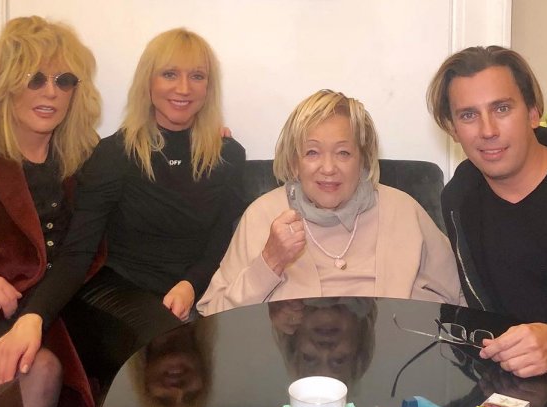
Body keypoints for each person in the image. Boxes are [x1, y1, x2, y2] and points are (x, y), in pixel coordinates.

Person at [27, 28, 245, 383]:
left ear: (209, 87)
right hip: (117, 287)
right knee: (172, 346)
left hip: (193, 286)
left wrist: (190, 284)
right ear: (148, 81)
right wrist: (34, 316)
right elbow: (78, 251)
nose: (183, 88)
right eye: (169, 74)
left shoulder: (228, 156)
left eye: (197, 76)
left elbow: (223, 239)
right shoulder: (115, 155)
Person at [0, 16, 101, 407]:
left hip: (50, 311)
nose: (50, 92)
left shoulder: (86, 160)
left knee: (43, 368)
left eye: (63, 80)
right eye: (35, 78)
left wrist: (206, 141)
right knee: (38, 370)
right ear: (6, 83)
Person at [197, 89, 463, 315]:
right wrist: (269, 262)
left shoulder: (403, 211)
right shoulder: (262, 215)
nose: (328, 168)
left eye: (343, 153)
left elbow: (463, 297)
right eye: (312, 152)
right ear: (294, 162)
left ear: (363, 160)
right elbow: (212, 316)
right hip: (290, 360)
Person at [427, 45, 547, 378]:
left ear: (533, 113)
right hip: (520, 387)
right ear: (452, 129)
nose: (488, 130)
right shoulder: (460, 200)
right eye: (468, 115)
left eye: (502, 108)